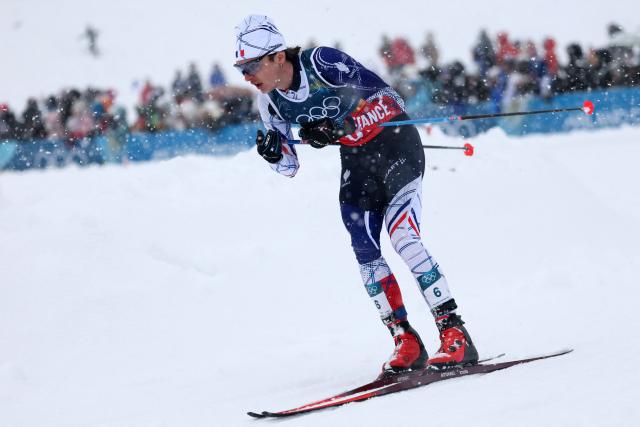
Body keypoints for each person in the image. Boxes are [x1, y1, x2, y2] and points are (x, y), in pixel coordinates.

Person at [234, 15, 478, 375]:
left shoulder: (322, 63)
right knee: (364, 249)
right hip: (359, 162)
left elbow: (390, 98)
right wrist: (275, 153)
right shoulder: (269, 103)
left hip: (395, 148)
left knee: (403, 237)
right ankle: (405, 340)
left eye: (251, 65)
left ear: (277, 57)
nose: (246, 75)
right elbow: (288, 167)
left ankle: (455, 333)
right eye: (241, 68)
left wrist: (344, 124)